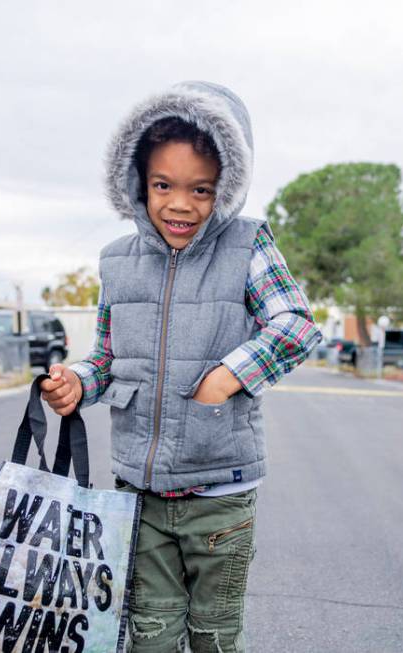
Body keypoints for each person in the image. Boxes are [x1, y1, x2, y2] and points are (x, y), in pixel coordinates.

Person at [40, 81, 321, 653]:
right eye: (163, 185)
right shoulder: (118, 261)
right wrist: (77, 382)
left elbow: (295, 325)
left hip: (220, 494)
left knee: (214, 636)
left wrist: (220, 381)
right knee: (148, 635)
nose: (179, 203)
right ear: (137, 182)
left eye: (202, 189)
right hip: (137, 492)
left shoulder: (248, 244)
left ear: (228, 188)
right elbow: (109, 357)